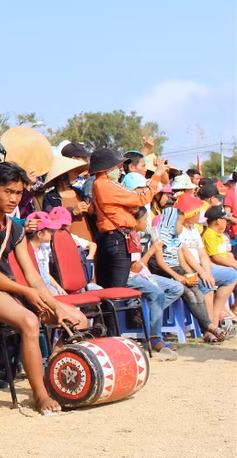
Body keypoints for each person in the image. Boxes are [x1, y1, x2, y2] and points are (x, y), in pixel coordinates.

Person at [0, 162, 86, 415]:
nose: (14, 198)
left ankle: (55, 377)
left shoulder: (15, 228)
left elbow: (33, 276)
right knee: (28, 320)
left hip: (8, 290)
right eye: (8, 191)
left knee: (77, 318)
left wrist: (56, 306)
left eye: (18, 193)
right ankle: (40, 394)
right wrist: (26, 292)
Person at [150, 194, 227, 343]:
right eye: (179, 224)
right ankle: (210, 327)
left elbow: (181, 261)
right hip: (165, 273)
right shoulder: (160, 237)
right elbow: (161, 263)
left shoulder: (175, 238)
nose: (181, 226)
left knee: (198, 292)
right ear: (171, 223)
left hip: (178, 270)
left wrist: (191, 275)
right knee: (190, 295)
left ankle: (209, 327)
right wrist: (179, 277)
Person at [91, 148, 169, 288]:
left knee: (110, 286)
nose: (120, 169)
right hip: (117, 238)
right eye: (117, 166)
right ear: (107, 167)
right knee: (118, 287)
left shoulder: (99, 183)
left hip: (111, 237)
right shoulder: (107, 184)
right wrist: (157, 174)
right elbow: (142, 197)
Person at [126, 207, 183, 358]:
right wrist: (151, 251)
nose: (147, 223)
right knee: (158, 294)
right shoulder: (130, 237)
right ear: (136, 221)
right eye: (145, 219)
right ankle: (155, 338)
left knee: (177, 287)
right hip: (132, 277)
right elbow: (135, 268)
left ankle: (144, 314)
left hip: (143, 275)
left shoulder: (137, 236)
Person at [175, 194, 237, 328]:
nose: (199, 215)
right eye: (197, 212)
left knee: (232, 275)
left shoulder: (194, 229)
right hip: (188, 269)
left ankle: (216, 316)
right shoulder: (179, 230)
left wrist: (207, 272)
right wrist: (203, 273)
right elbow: (186, 256)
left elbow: (202, 253)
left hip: (203, 267)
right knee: (207, 286)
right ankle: (210, 328)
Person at [200, 205, 237, 319]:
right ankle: (220, 310)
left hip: (223, 267)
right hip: (214, 268)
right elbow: (215, 258)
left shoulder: (219, 235)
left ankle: (227, 309)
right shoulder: (209, 235)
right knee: (233, 275)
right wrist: (234, 264)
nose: (227, 222)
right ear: (218, 221)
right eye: (225, 219)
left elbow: (224, 255)